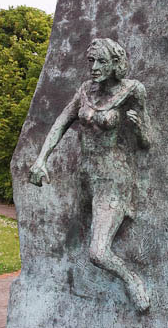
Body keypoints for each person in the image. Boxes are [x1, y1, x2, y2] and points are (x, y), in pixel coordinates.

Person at [29, 38, 152, 312]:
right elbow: (61, 123)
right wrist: (41, 159)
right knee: (70, 236)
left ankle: (132, 280)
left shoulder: (132, 91)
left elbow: (147, 141)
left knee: (97, 252)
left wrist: (140, 126)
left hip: (113, 177)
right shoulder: (85, 91)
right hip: (85, 176)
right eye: (91, 61)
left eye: (101, 62)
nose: (94, 67)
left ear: (116, 64)